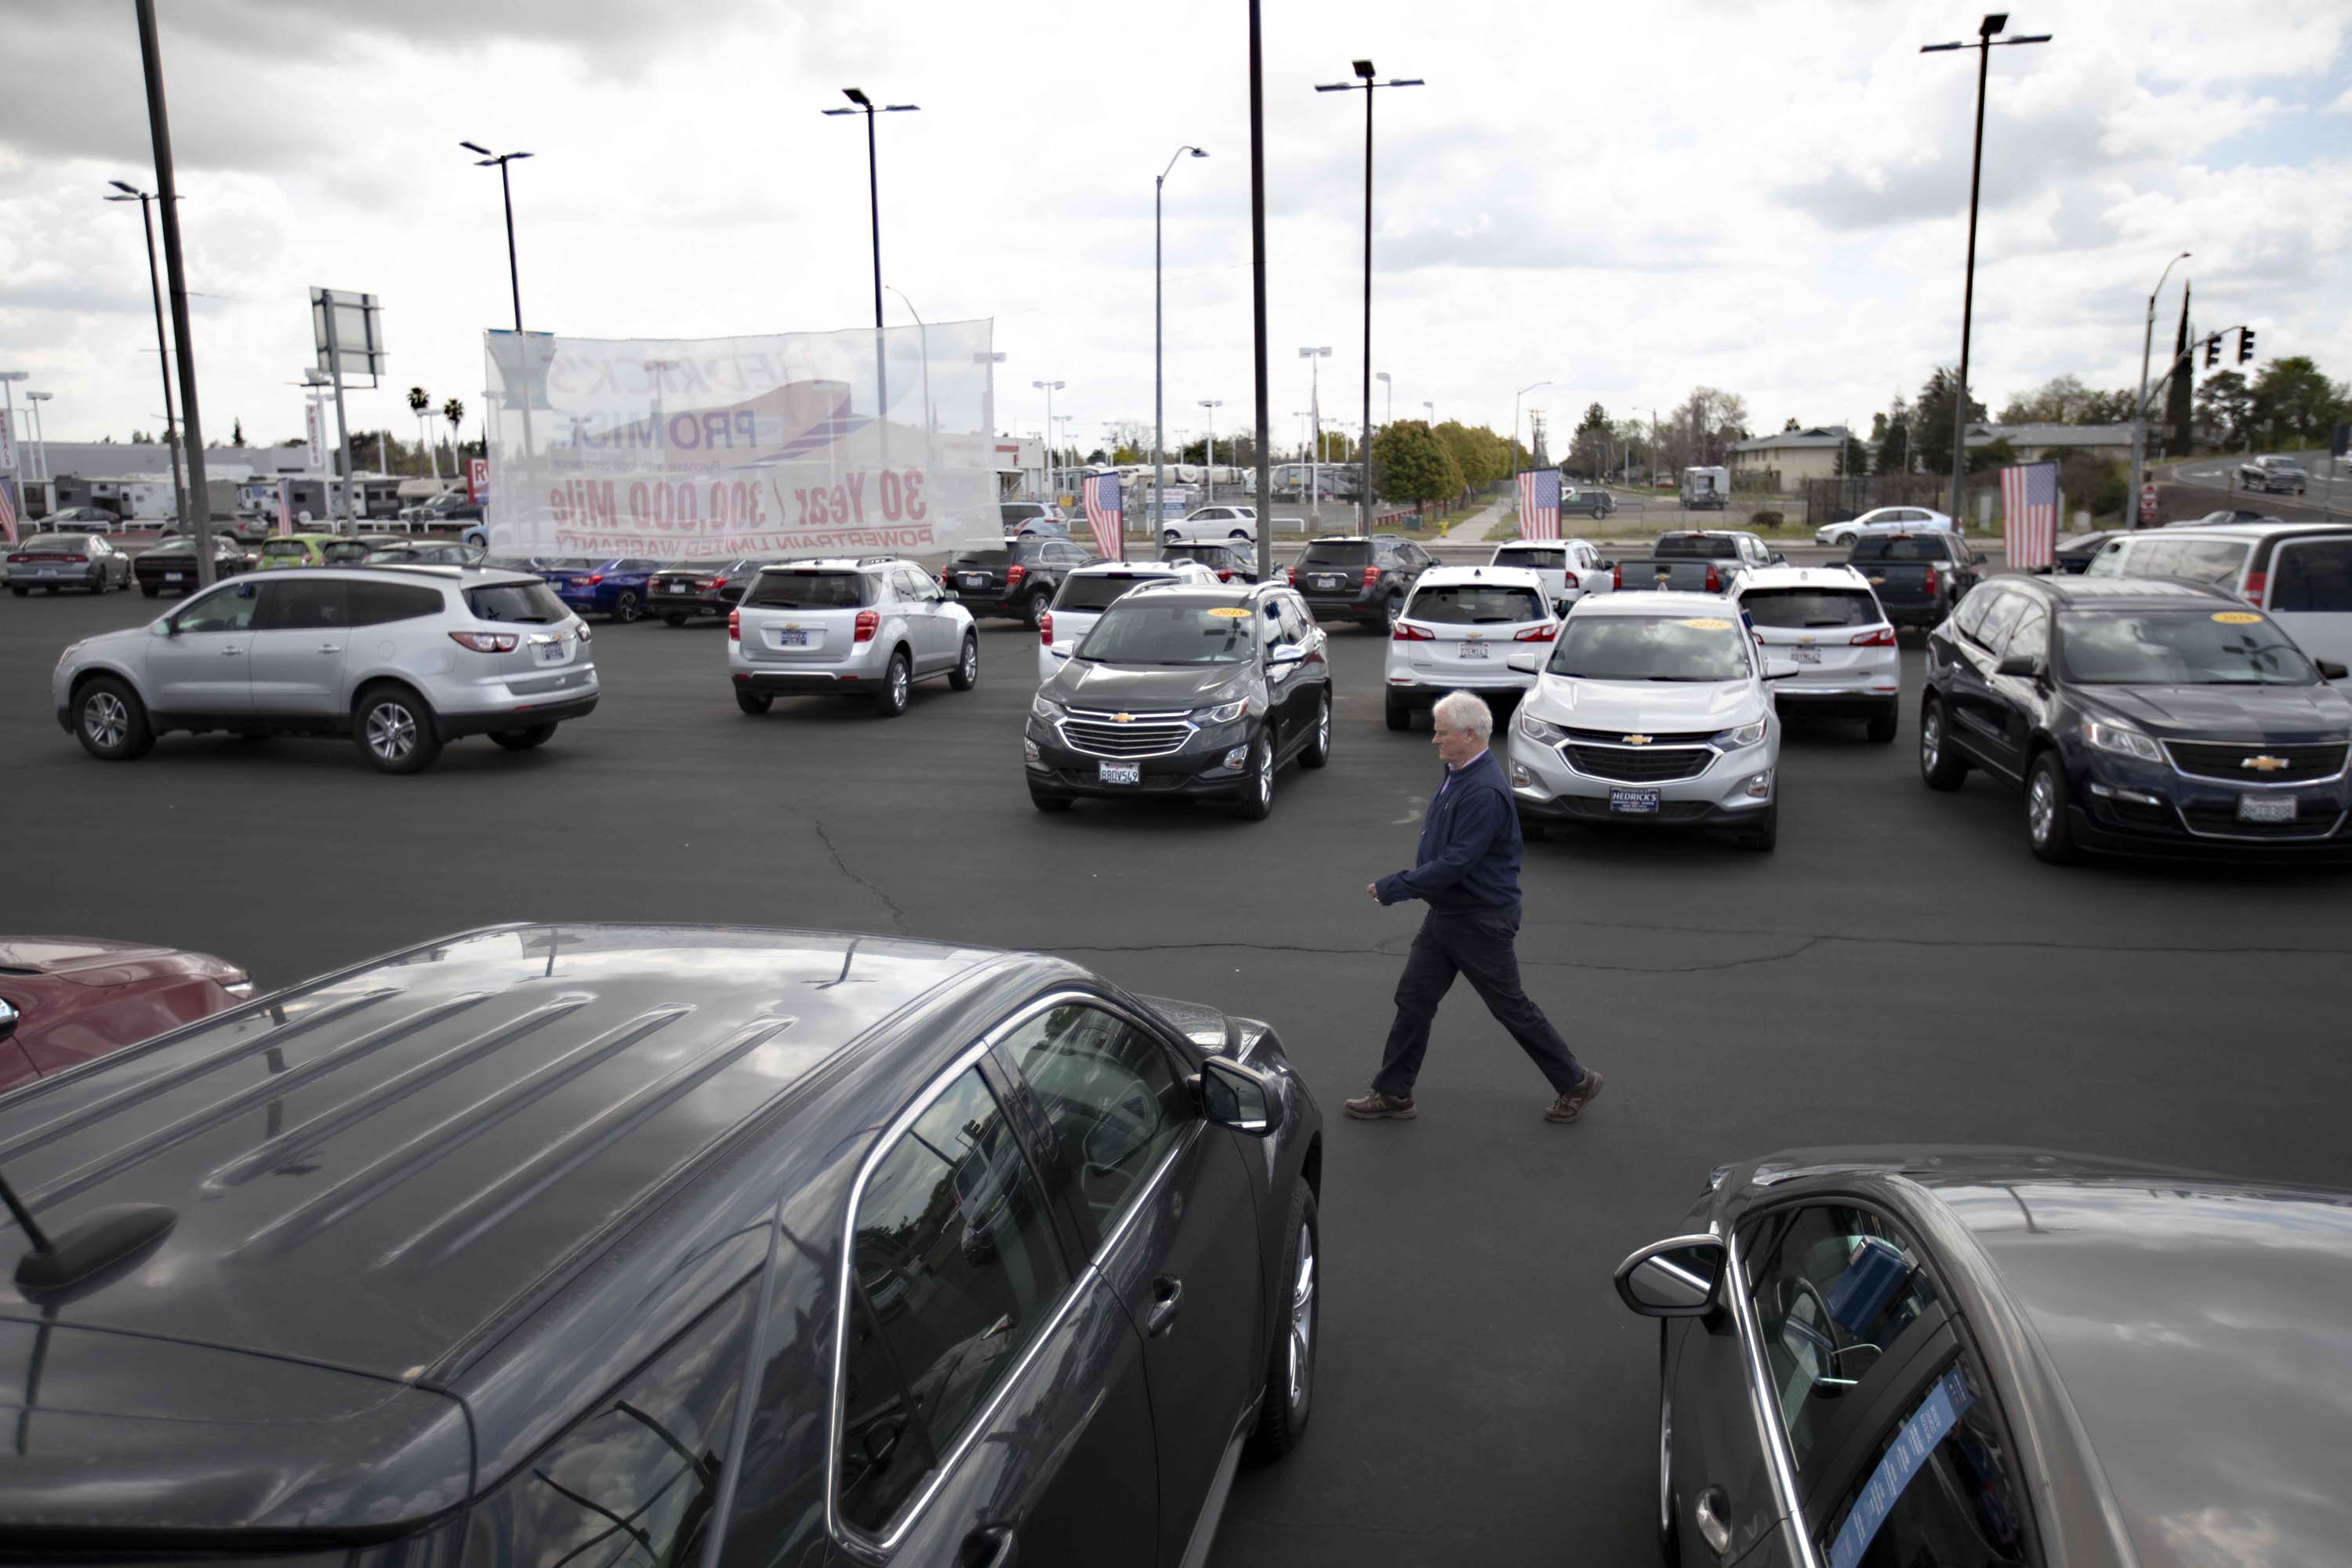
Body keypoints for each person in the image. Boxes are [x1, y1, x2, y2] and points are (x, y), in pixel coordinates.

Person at [1344, 691, 1602, 1124]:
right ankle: (1393, 1093)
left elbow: (1457, 863)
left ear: (1469, 734)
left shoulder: (1483, 790)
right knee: (1414, 998)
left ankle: (1575, 1081)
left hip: (1480, 922)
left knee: (1511, 1008)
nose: (1434, 740)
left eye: (1441, 733)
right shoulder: (1458, 771)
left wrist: (1396, 887)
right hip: (1448, 916)